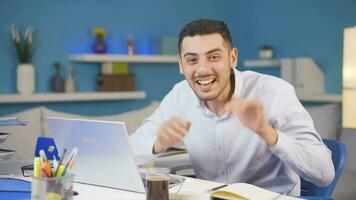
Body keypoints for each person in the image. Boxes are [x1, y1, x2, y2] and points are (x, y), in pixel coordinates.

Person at [130, 19, 334, 195]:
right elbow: (131, 149)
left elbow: (325, 173)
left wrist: (267, 132)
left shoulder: (275, 93)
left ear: (232, 58)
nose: (202, 70)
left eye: (214, 57)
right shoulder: (180, 94)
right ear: (181, 65)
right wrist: (158, 142)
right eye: (192, 60)